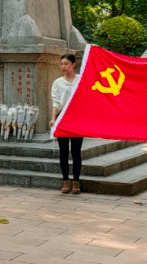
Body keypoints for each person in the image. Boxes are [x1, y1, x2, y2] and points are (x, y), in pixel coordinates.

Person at [49, 53, 83, 194]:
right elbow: (56, 102)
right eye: (61, 64)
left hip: (77, 118)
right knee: (63, 152)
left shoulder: (81, 80)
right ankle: (65, 181)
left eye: (66, 64)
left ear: (73, 64)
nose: (63, 67)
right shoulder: (58, 82)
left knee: (76, 152)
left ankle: (76, 182)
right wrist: (53, 118)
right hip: (62, 118)